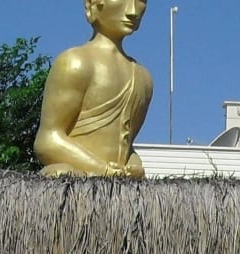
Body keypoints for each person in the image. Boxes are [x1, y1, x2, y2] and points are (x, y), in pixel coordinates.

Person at [35, 0, 154, 178]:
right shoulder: (75, 62)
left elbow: (126, 145)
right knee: (63, 174)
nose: (133, 11)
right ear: (93, 3)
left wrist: (134, 165)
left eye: (141, 1)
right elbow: (47, 140)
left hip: (118, 184)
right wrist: (103, 170)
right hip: (77, 178)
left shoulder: (143, 78)